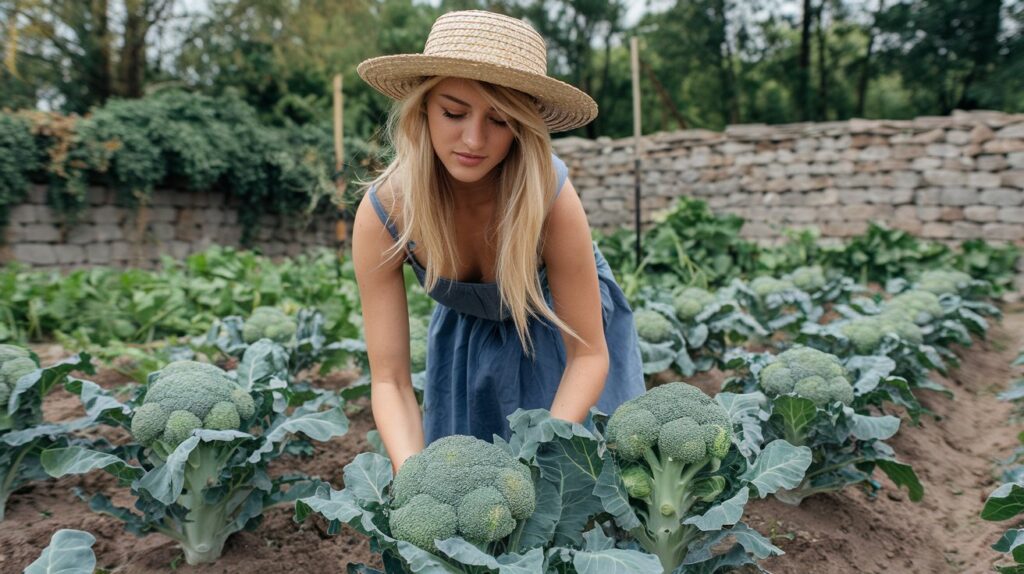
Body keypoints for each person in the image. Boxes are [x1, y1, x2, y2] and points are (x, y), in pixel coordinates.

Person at [351, 10, 645, 472]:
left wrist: (539, 462)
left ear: (523, 128)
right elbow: (389, 381)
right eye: (453, 112)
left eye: (501, 120)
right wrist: (411, 475)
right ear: (423, 108)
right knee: (467, 504)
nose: (473, 139)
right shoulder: (386, 213)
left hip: (559, 339)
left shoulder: (550, 197)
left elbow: (588, 355)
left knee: (580, 508)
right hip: (463, 351)